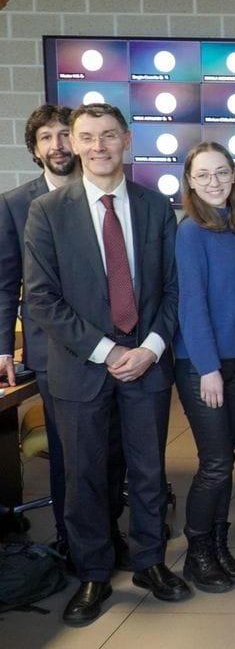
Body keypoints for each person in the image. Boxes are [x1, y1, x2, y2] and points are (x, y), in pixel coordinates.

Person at [24, 103, 189, 625]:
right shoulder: (48, 211)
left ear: (127, 140)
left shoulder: (155, 207)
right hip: (82, 368)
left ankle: (149, 562)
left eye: (110, 135)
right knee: (85, 476)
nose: (99, 146)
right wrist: (108, 351)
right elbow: (42, 299)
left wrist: (151, 348)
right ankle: (93, 574)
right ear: (74, 144)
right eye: (88, 137)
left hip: (147, 363)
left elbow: (173, 289)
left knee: (148, 471)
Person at [1, 105, 129, 572]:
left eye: (62, 135)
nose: (57, 145)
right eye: (47, 138)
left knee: (112, 448)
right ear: (36, 149)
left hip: (114, 346)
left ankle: (108, 534)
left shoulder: (107, 194)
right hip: (54, 350)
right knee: (70, 457)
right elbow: (8, 283)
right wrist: (3, 347)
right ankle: (71, 540)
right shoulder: (18, 204)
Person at [173, 142, 235, 594]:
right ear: (190, 181)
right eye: (203, 174)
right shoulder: (191, 231)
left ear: (233, 175)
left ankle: (220, 546)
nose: (214, 182)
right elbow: (191, 304)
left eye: (222, 172)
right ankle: (197, 554)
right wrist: (208, 367)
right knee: (214, 463)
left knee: (226, 459)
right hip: (203, 365)